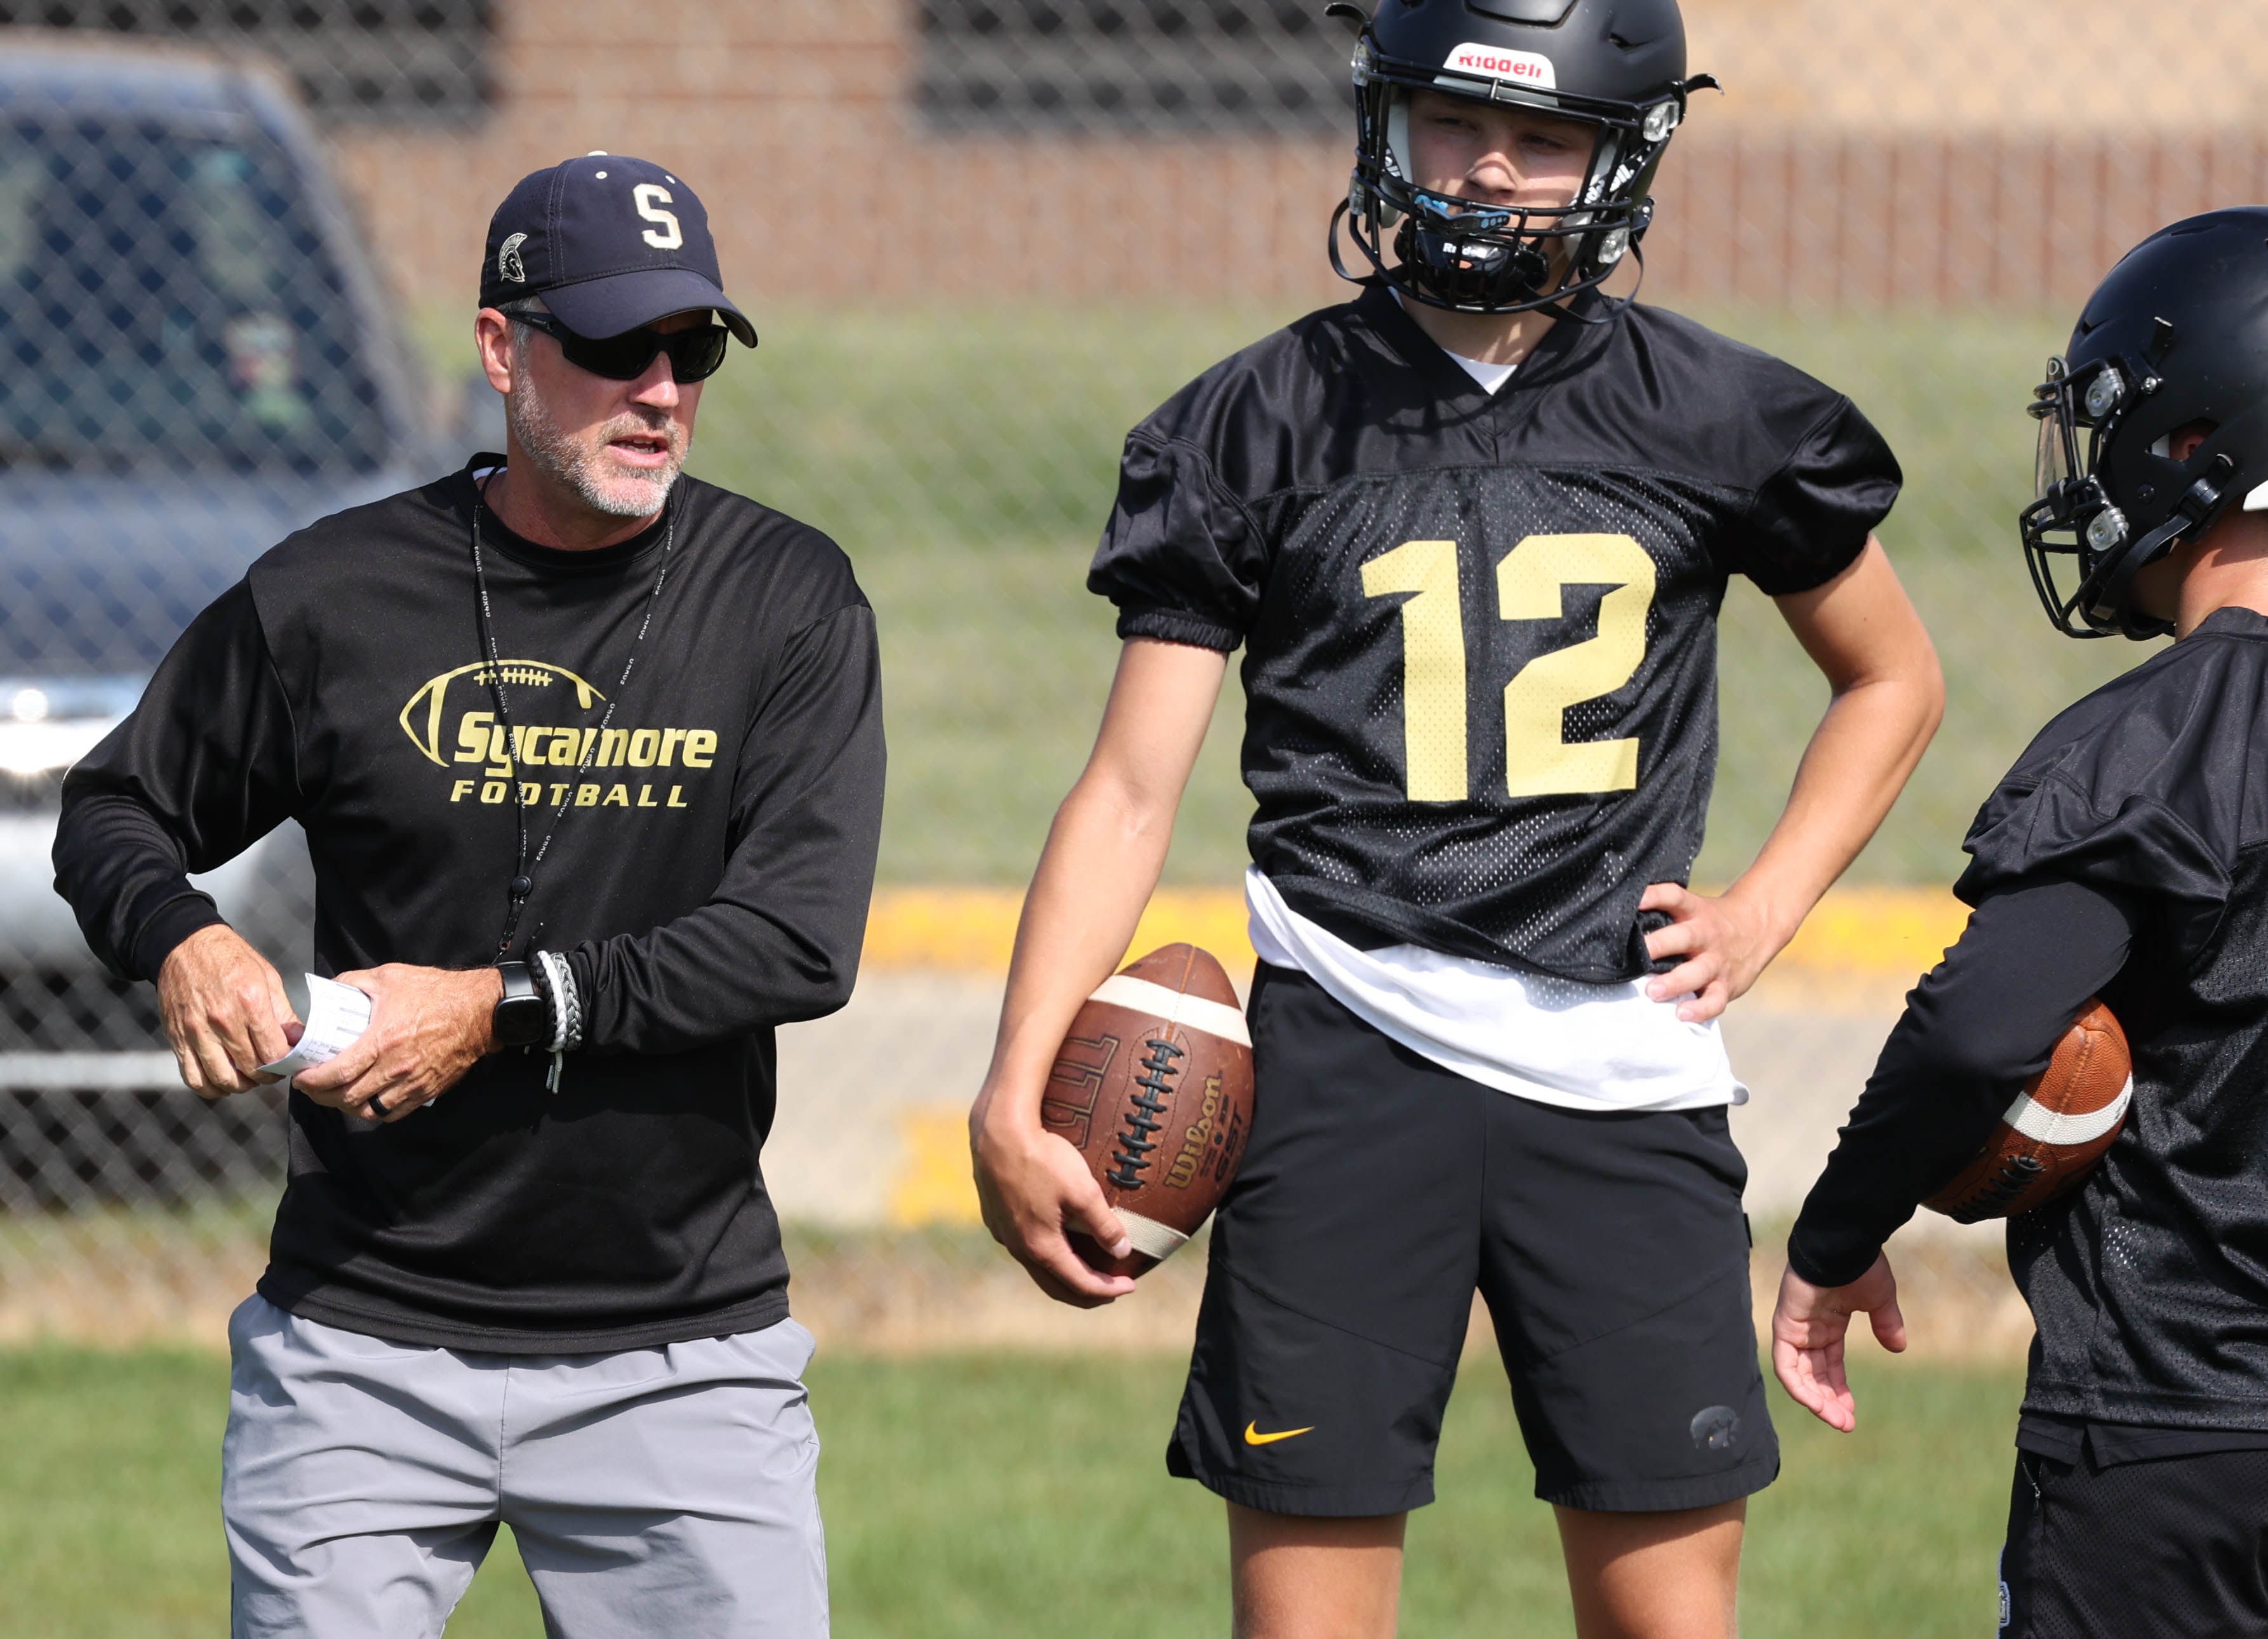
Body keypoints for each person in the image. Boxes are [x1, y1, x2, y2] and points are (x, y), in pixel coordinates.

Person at [968, 3, 1944, 1635]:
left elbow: (1892, 680)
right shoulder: (1255, 421)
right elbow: (1132, 786)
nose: (1489, 173)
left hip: (1621, 1063)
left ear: (1622, 160)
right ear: (1383, 123)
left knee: (1665, 1619)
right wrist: (1013, 1082)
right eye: (1451, 125)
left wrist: (1767, 904)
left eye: (1543, 140)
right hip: (1345, 1048)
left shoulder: (1716, 413)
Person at [51, 154, 883, 1638]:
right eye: (614, 346)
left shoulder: (785, 599)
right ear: (501, 347)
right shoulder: (333, 595)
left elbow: (798, 938)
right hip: (361, 1345)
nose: (659, 391)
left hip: (678, 1349)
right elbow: (116, 807)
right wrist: (183, 935)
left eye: (689, 350)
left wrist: (501, 1008)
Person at [1774, 209, 2268, 1637]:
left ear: (2192, 445)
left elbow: (1978, 1025)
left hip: (2178, 1422)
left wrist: (1833, 1238)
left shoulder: (2157, 745)